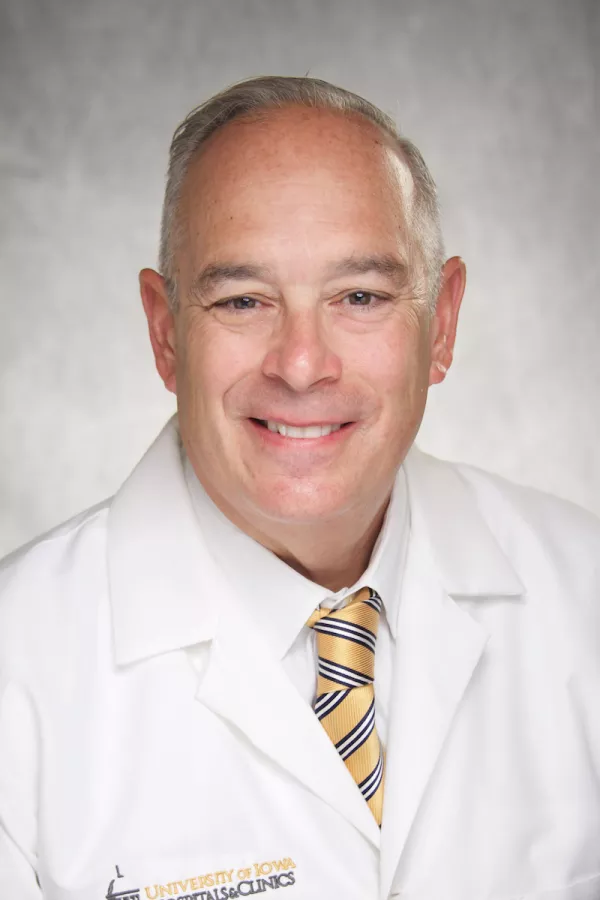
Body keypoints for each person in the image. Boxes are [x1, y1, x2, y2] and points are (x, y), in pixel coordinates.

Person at [0, 76, 599, 900]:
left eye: (360, 297)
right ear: (165, 332)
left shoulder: (585, 593)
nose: (302, 363)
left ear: (442, 322)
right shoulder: (18, 666)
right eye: (243, 300)